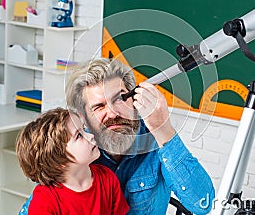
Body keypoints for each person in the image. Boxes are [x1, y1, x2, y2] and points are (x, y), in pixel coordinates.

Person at [20, 58, 215, 214]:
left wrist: (163, 129)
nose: (113, 113)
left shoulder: (156, 142)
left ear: (134, 100)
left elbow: (202, 204)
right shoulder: (74, 154)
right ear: (83, 118)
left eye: (120, 99)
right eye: (99, 106)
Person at [16, 107, 129, 215]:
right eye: (79, 135)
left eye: (84, 129)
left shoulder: (107, 178)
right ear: (58, 160)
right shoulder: (45, 199)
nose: (90, 136)